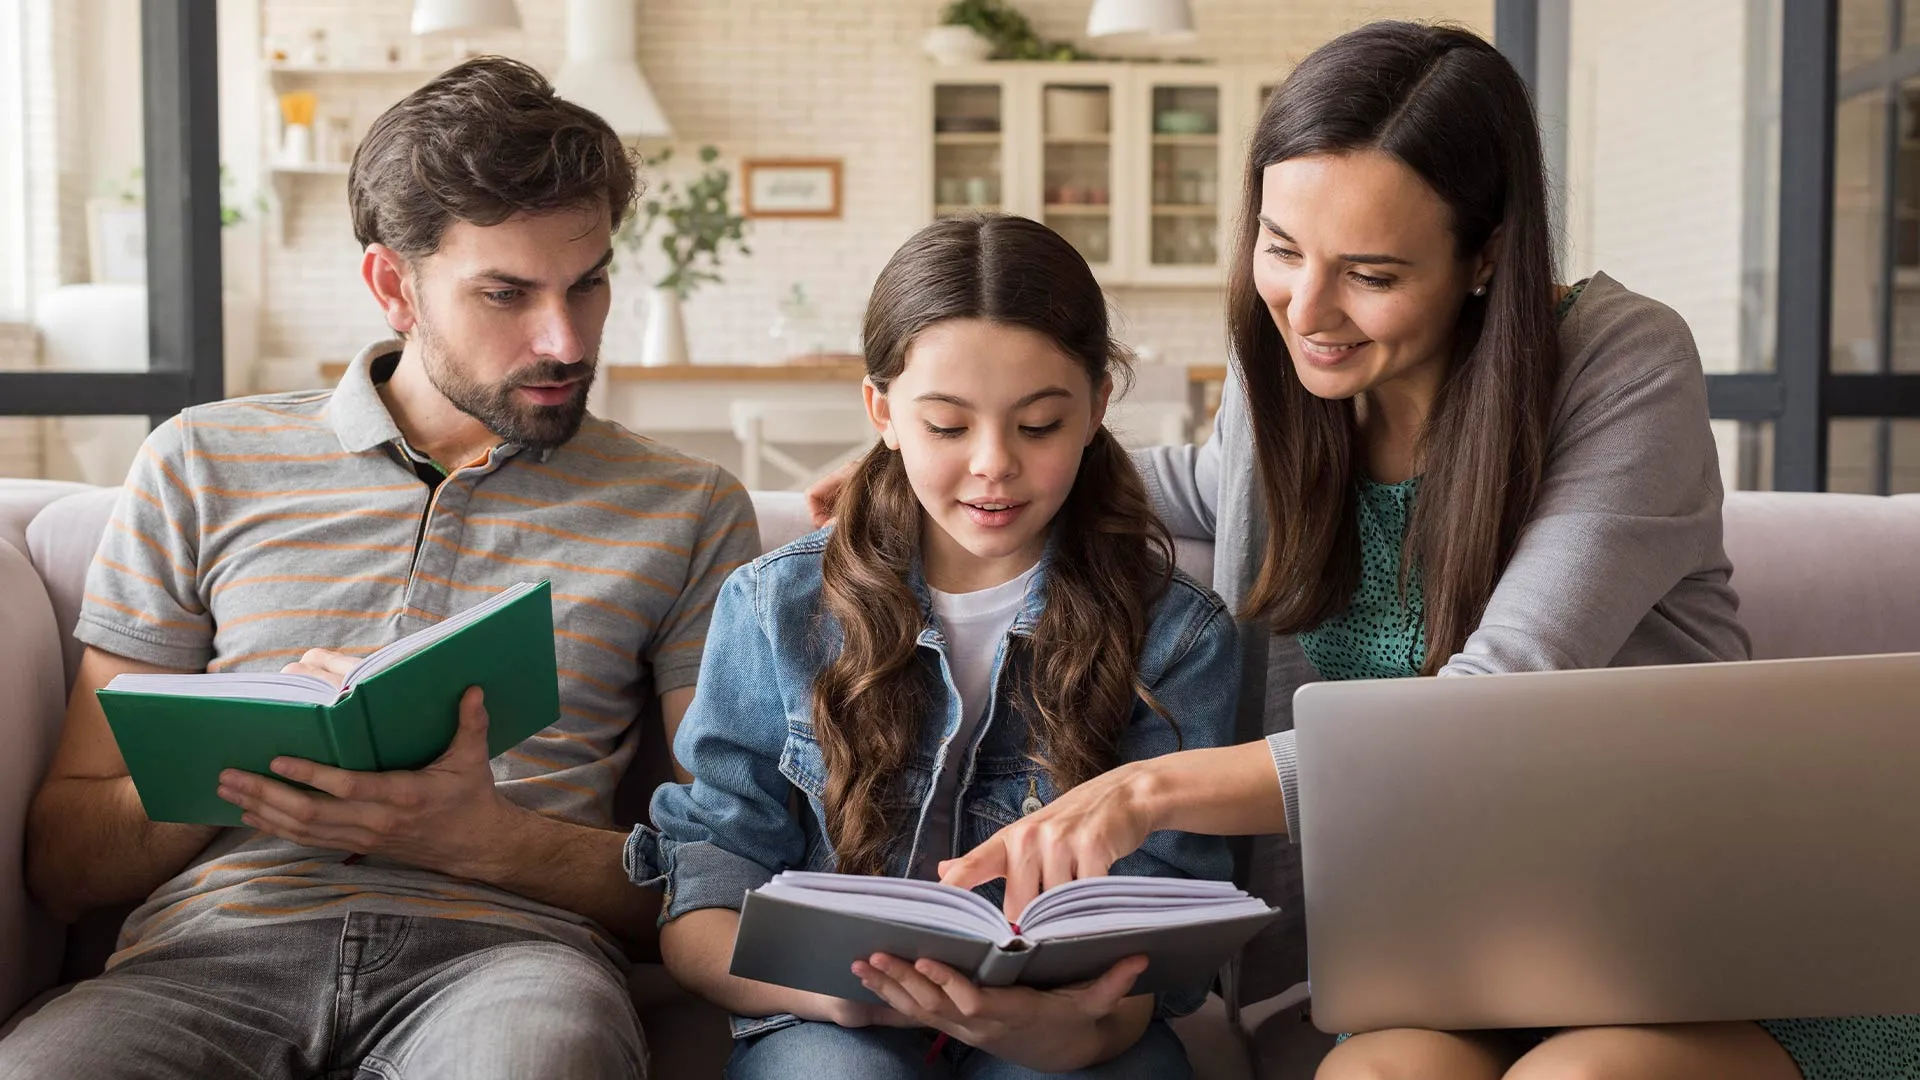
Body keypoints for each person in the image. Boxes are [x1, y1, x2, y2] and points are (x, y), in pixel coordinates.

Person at [812, 21, 1920, 1080]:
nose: (1308, 308)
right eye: (1281, 249)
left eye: (1373, 274)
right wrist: (947, 467)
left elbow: (1499, 700)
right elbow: (1204, 483)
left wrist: (1143, 792)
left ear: (1486, 256)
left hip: (1682, 931)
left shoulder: (1618, 360)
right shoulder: (1291, 382)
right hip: (1444, 939)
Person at [1, 57, 759, 1080]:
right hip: (208, 956)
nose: (565, 338)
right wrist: (234, 762)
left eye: (588, 283)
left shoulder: (688, 506)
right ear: (393, 286)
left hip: (512, 962)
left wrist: (484, 837)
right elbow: (60, 863)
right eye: (506, 293)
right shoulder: (199, 461)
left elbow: (726, 873)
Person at [633, 214, 1240, 1079]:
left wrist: (1079, 1034)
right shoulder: (776, 608)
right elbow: (703, 894)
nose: (993, 464)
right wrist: (832, 996)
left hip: (1070, 1026)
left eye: (1039, 425)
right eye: (948, 427)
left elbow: (1165, 936)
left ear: (1098, 407)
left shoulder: (1178, 634)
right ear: (883, 412)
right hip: (831, 1019)